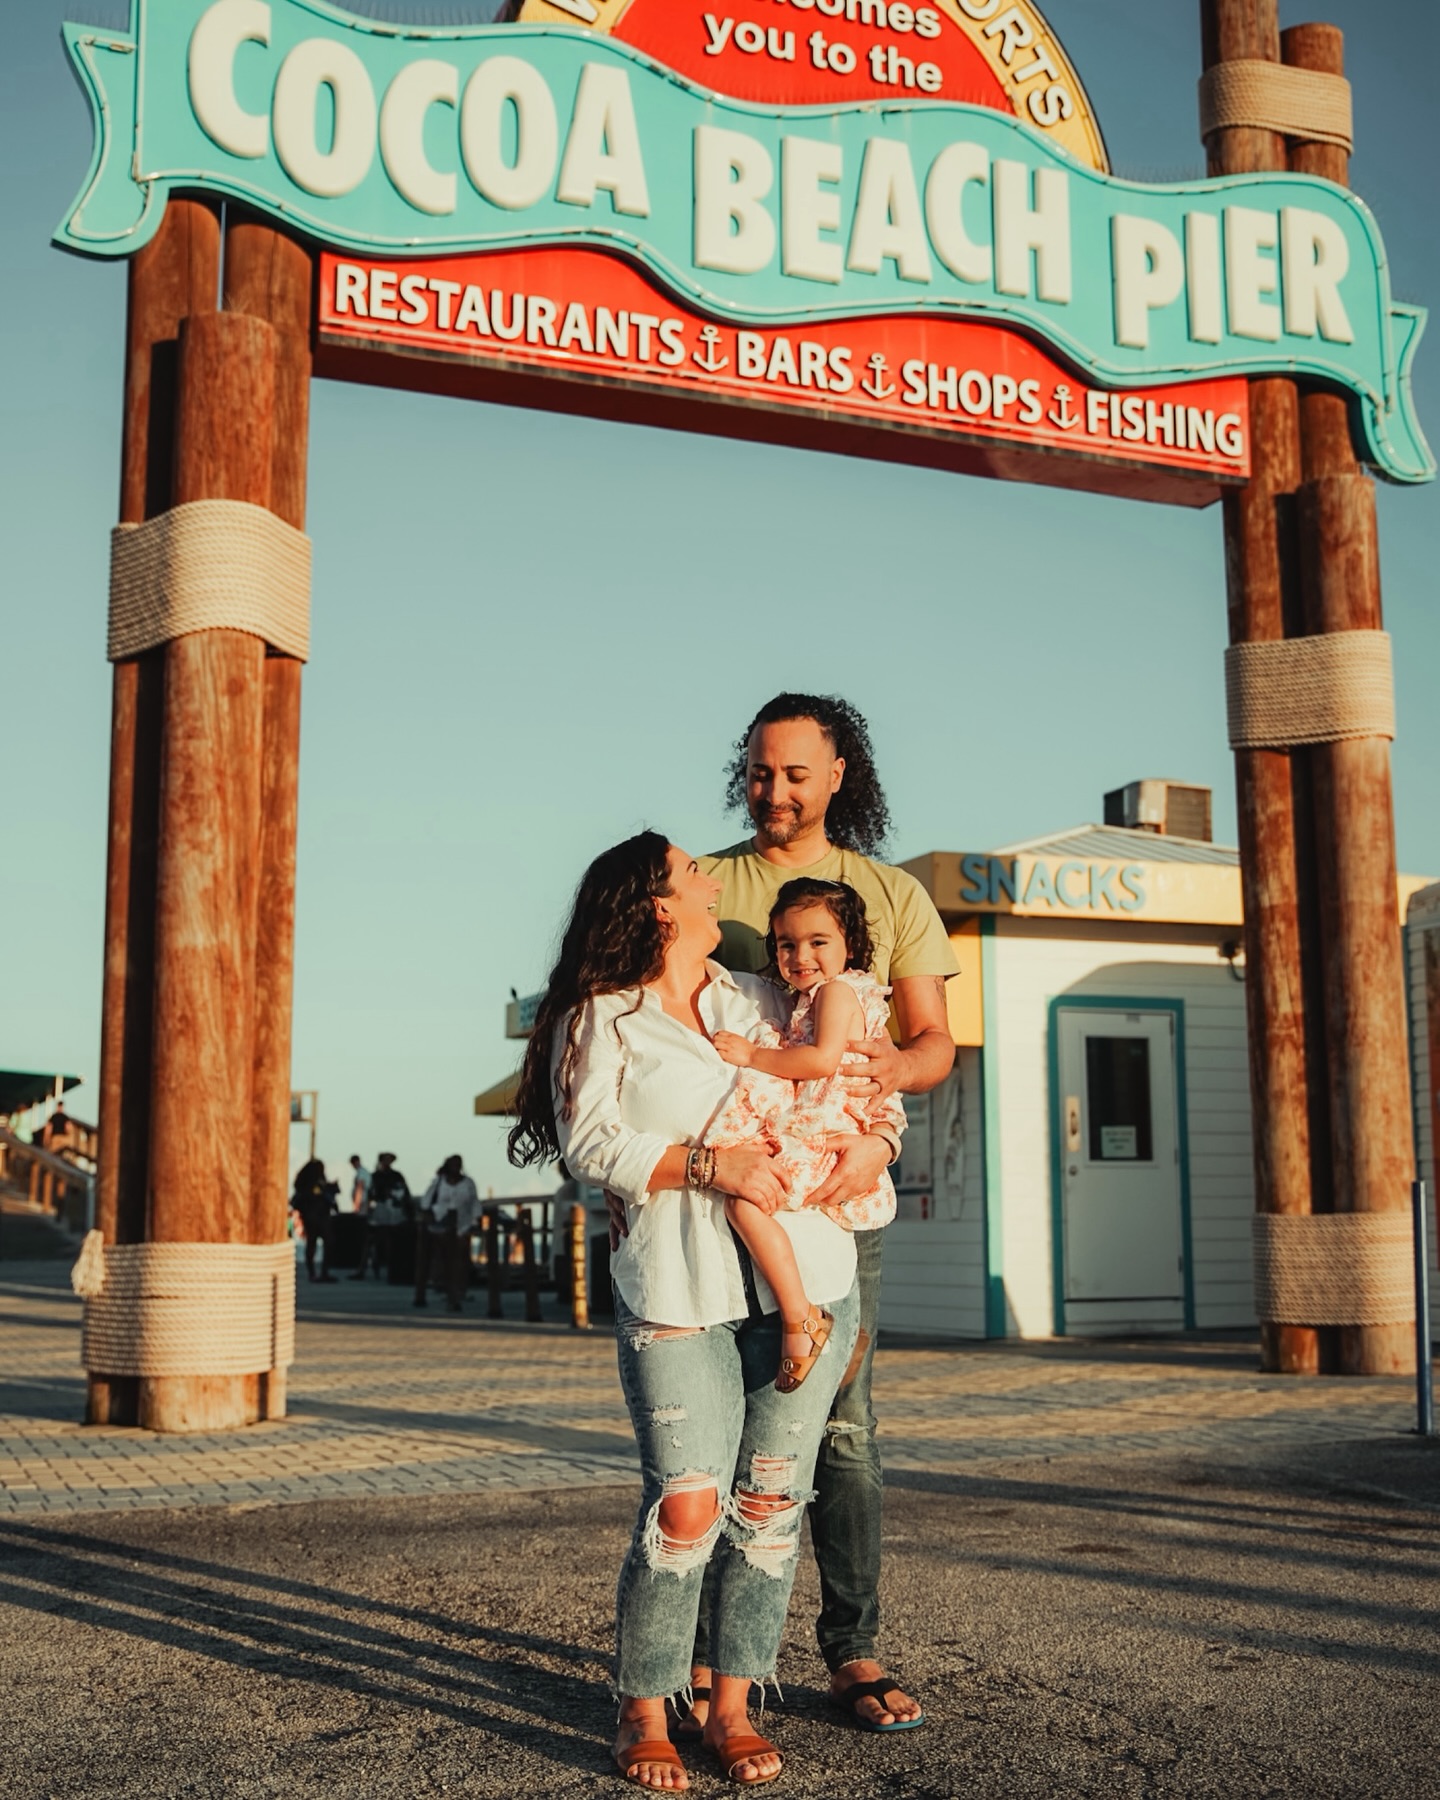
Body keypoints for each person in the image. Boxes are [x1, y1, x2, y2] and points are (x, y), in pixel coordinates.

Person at [508, 831, 894, 1790]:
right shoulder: (603, 1015)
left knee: (767, 1507)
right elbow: (591, 1140)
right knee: (688, 1506)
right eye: (692, 873)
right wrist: (712, 1165)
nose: (713, 878)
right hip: (678, 1288)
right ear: (655, 906)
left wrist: (881, 1144)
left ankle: (731, 1703)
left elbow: (863, 1069)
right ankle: (646, 1702)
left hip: (808, 1281)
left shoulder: (758, 996)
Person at [686, 692, 956, 1735]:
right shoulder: (706, 885)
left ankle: (852, 1650)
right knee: (719, 1421)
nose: (774, 789)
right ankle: (714, 1662)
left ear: (840, 773)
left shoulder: (892, 895)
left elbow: (930, 1041)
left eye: (797, 772)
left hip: (840, 1191)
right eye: (759, 769)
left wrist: (881, 1116)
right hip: (733, 1187)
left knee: (843, 1422)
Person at [706, 877, 904, 1392]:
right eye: (787, 944)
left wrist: (751, 1056)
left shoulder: (838, 992)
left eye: (819, 942)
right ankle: (834, 1332)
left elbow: (819, 1062)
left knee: (744, 1203)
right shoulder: (822, 995)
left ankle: (803, 1319)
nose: (801, 955)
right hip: (825, 1126)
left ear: (851, 945)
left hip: (825, 1133)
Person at [413, 1154, 481, 1312]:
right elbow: (426, 1201)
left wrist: (475, 1222)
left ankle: (458, 1292)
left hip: (462, 1224)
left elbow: (475, 1203)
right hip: (439, 1224)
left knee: (460, 1260)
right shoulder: (439, 1182)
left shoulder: (468, 1183)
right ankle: (435, 1290)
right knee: (439, 1259)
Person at [351, 1152, 410, 1280]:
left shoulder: (396, 1176)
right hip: (380, 1211)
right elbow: (370, 1193)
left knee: (386, 1241)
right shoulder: (376, 1176)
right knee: (372, 1240)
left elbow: (404, 1193)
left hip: (392, 1212)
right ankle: (364, 1269)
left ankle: (389, 1270)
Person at [291, 1158, 338, 1283]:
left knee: (313, 1244)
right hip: (317, 1217)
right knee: (323, 1242)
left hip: (312, 1217)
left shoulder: (305, 1185)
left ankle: (315, 1273)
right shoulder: (312, 1186)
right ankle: (321, 1272)